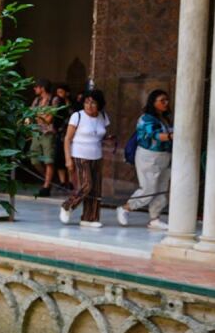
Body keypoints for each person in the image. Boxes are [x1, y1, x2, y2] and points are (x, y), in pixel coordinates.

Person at [119, 89, 173, 230]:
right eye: (162, 101)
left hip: (165, 156)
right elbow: (154, 135)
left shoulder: (165, 118)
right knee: (148, 188)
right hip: (149, 157)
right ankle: (126, 208)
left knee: (161, 189)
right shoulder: (146, 119)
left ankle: (154, 218)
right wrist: (171, 136)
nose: (166, 103)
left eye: (167, 100)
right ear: (153, 102)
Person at [60, 89, 112, 227]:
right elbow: (67, 139)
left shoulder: (103, 116)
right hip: (80, 155)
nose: (89, 106)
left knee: (95, 189)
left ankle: (89, 218)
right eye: (86, 102)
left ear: (99, 104)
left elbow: (101, 134)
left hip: (97, 156)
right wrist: (68, 159)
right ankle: (67, 206)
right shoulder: (77, 116)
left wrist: (108, 139)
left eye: (93, 103)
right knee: (87, 185)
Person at [27, 79, 56, 196]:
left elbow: (49, 119)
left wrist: (37, 116)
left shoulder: (53, 100)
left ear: (42, 88)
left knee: (48, 160)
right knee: (34, 159)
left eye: (36, 87)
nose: (34, 89)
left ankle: (46, 186)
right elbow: (30, 114)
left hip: (48, 133)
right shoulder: (37, 100)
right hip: (36, 132)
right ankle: (47, 179)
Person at [51, 83, 72, 191]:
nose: (59, 94)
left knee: (69, 157)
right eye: (58, 92)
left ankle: (71, 182)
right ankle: (62, 182)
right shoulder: (57, 103)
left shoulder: (72, 103)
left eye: (61, 92)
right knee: (59, 158)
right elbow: (54, 117)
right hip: (60, 134)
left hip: (70, 134)